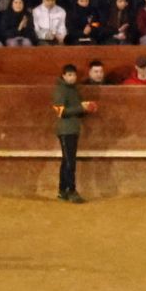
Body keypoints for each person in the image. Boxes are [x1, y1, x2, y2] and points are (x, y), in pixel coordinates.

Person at [51, 63, 96, 203]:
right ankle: (71, 190)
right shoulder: (60, 90)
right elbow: (60, 111)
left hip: (72, 129)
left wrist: (85, 109)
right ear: (63, 76)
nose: (72, 77)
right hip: (65, 130)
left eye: (74, 75)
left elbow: (74, 110)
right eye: (69, 75)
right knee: (70, 162)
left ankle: (62, 191)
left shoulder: (73, 90)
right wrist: (80, 108)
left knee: (67, 161)